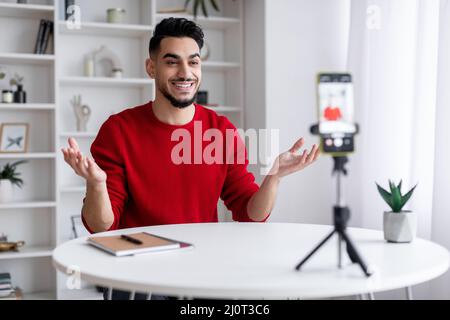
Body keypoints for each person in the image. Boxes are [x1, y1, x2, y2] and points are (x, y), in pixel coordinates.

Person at [61, 18, 319, 300]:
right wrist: (97, 185)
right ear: (151, 67)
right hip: (136, 277)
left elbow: (249, 214)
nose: (185, 73)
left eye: (193, 62)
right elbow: (102, 227)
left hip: (203, 272)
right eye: (172, 62)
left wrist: (274, 178)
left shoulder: (221, 131)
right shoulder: (118, 130)